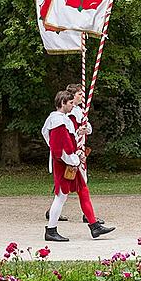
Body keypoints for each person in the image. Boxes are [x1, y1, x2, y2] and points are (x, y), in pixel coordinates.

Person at [41, 90, 115, 242]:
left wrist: (76, 153)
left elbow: (63, 140)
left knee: (82, 189)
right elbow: (59, 148)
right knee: (60, 197)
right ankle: (51, 230)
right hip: (65, 165)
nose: (71, 105)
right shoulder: (57, 121)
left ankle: (94, 226)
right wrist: (73, 160)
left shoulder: (60, 119)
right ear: (62, 103)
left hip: (69, 161)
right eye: (69, 103)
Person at [65, 83, 104, 224]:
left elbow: (89, 129)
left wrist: (86, 128)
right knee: (69, 184)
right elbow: (67, 134)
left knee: (80, 182)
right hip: (72, 151)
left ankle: (87, 214)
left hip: (80, 149)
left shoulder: (81, 111)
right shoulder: (68, 113)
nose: (83, 96)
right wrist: (78, 132)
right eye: (80, 94)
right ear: (72, 95)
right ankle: (88, 216)